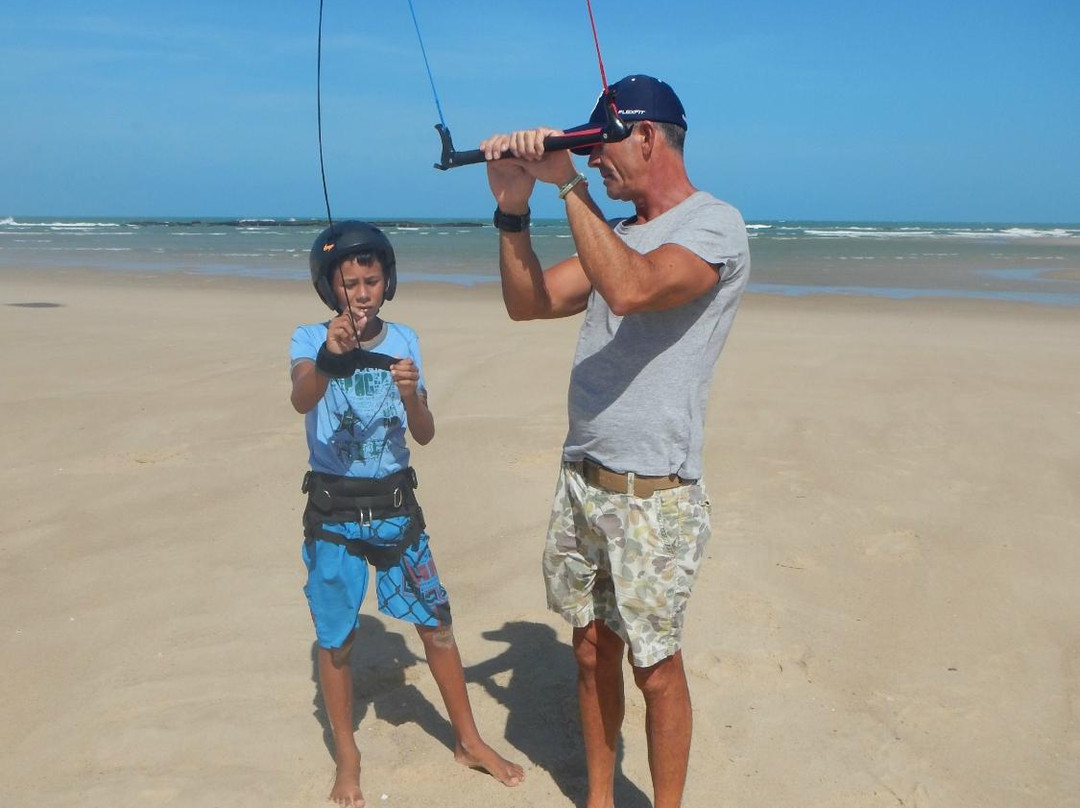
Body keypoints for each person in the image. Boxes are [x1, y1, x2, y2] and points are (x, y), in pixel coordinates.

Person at [479, 74, 751, 808]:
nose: (596, 161)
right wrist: (512, 208)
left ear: (648, 137)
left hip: (653, 495)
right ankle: (600, 800)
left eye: (601, 148)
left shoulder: (713, 225)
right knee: (590, 649)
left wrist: (566, 185)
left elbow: (632, 290)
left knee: (654, 667)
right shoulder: (618, 233)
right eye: (585, 154)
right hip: (582, 482)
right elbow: (527, 303)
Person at [289, 220, 524, 807]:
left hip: (397, 511)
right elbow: (301, 396)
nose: (362, 292)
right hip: (334, 516)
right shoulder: (306, 340)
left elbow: (424, 434)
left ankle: (468, 740)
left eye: (371, 280)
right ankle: (349, 756)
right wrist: (329, 354)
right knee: (336, 640)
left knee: (437, 626)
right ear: (329, 287)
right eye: (349, 283)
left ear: (387, 282)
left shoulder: (406, 341)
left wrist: (414, 393)